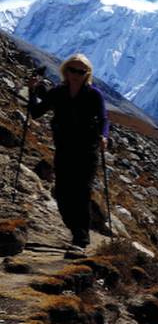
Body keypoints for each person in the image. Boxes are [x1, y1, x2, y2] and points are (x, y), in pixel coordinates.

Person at [27, 54, 109, 252]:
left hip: (87, 150)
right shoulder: (58, 92)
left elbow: (104, 119)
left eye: (80, 71)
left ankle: (81, 239)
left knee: (81, 192)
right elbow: (37, 112)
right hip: (64, 149)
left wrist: (104, 136)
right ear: (65, 70)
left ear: (86, 74)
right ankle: (75, 230)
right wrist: (31, 91)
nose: (75, 74)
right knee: (63, 194)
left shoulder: (93, 94)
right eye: (72, 70)